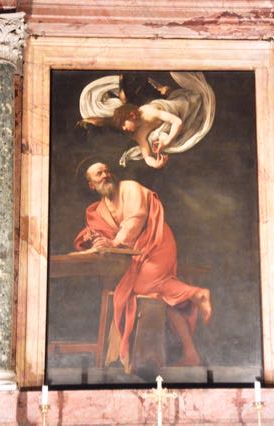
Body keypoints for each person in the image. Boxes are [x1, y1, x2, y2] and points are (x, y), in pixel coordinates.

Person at [74, 162, 213, 371]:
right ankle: (191, 353)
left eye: (106, 171)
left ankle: (197, 294)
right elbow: (101, 232)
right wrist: (95, 239)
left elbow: (135, 220)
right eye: (98, 174)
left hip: (157, 242)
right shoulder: (100, 209)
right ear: (92, 184)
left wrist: (113, 242)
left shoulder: (129, 188)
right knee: (161, 296)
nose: (105, 175)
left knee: (139, 288)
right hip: (139, 253)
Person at [77, 72, 215, 169]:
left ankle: (169, 92)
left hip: (179, 108)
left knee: (194, 101)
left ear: (132, 115)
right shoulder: (138, 134)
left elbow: (177, 122)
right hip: (168, 118)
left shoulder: (149, 112)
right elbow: (147, 155)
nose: (124, 129)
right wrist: (155, 164)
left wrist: (167, 142)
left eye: (123, 124)